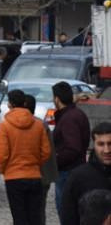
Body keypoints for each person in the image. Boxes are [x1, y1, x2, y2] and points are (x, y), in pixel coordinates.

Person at [0, 90, 51, 225]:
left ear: (9, 104)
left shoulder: (5, 126)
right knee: (35, 217)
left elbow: (2, 154)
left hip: (13, 177)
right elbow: (46, 151)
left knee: (19, 217)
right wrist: (35, 164)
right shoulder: (38, 125)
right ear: (25, 103)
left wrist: (4, 170)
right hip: (34, 176)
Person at [60, 122, 111, 225]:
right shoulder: (78, 177)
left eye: (110, 144)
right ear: (94, 144)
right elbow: (68, 216)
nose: (106, 150)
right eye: (101, 144)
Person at [52, 81, 91, 215]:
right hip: (72, 169)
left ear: (56, 99)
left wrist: (55, 161)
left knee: (66, 211)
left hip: (67, 172)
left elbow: (73, 147)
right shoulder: (75, 114)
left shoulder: (69, 118)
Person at [25, 94, 58, 225]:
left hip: (32, 175)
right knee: (39, 210)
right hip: (44, 176)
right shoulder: (42, 125)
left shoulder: (31, 126)